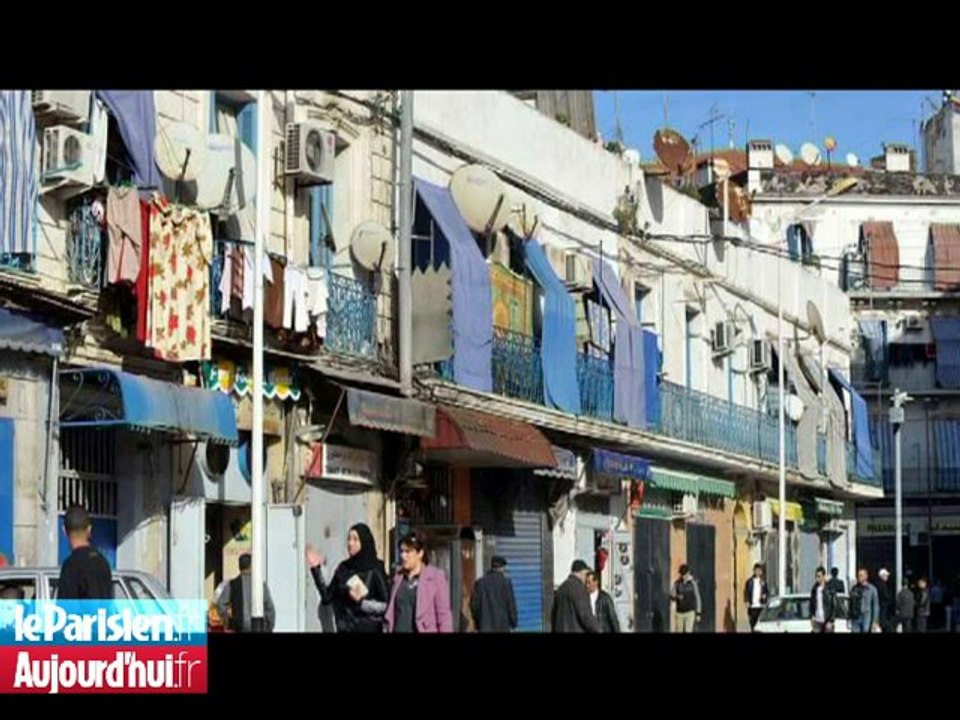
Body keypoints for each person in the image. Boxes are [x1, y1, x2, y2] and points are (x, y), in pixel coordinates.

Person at [306, 523, 390, 633]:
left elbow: (387, 606)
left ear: (364, 542)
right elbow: (327, 597)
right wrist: (316, 569)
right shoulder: (343, 568)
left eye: (355, 540)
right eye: (349, 539)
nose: (350, 543)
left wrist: (361, 602)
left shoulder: (375, 569)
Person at [384, 532, 453, 633]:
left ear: (420, 553)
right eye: (402, 551)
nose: (403, 556)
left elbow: (444, 616)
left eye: (408, 552)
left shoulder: (435, 577)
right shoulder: (398, 578)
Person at [57, 505, 112, 600]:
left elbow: (66, 607)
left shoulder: (70, 566)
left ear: (64, 531)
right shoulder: (103, 562)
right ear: (89, 529)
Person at [216, 553, 276, 632]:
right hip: (258, 626)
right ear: (251, 565)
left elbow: (220, 603)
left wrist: (227, 620)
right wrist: (269, 626)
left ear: (239, 566)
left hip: (239, 626)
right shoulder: (260, 584)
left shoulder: (232, 584)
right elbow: (269, 608)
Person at [470, 555, 518, 633]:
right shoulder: (506, 583)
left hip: (484, 627)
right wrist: (514, 624)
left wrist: (478, 623)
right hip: (503, 627)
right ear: (502, 568)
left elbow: (474, 606)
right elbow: (511, 606)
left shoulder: (480, 583)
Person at [550, 560, 600, 633]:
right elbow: (586, 618)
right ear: (582, 572)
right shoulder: (580, 590)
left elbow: (553, 616)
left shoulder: (561, 588)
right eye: (586, 574)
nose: (586, 578)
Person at [670, 564, 702, 633]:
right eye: (682, 574)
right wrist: (677, 596)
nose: (683, 576)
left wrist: (698, 613)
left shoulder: (693, 584)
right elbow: (672, 595)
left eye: (684, 574)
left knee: (688, 630)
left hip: (690, 612)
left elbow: (697, 598)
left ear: (688, 573)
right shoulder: (677, 583)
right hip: (679, 612)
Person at [849, 567, 881, 633]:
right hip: (856, 617)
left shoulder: (872, 589)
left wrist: (875, 621)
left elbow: (875, 606)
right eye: (858, 575)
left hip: (866, 617)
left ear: (866, 576)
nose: (859, 577)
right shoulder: (854, 588)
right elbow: (851, 603)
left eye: (861, 575)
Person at [809, 566, 838, 633]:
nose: (817, 578)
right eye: (816, 576)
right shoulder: (814, 589)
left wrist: (831, 620)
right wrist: (812, 616)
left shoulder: (830, 589)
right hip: (817, 621)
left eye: (819, 576)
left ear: (824, 576)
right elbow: (811, 604)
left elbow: (834, 605)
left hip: (827, 621)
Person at [744, 563, 769, 632]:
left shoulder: (763, 582)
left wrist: (765, 596)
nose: (758, 572)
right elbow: (746, 592)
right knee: (753, 625)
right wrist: (746, 601)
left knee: (759, 626)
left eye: (759, 570)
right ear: (754, 571)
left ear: (761, 572)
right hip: (752, 606)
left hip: (761, 606)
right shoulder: (749, 582)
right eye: (756, 570)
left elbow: (766, 592)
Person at [876, 568, 896, 633]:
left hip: (881, 606)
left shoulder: (878, 584)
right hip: (883, 606)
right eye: (886, 575)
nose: (887, 577)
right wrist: (891, 594)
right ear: (882, 576)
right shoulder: (882, 584)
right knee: (885, 624)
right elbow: (886, 595)